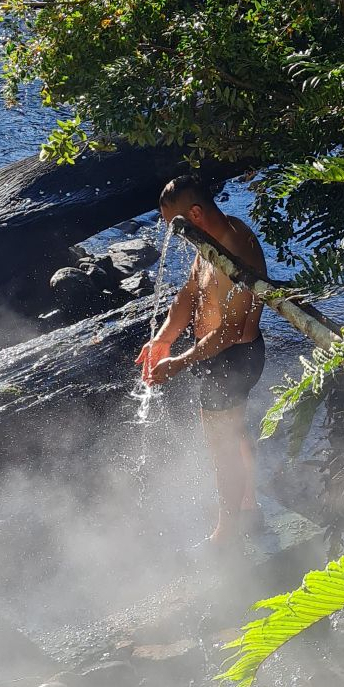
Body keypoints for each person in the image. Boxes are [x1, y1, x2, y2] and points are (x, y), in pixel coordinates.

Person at [136, 176, 267, 545]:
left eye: (175, 226)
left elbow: (232, 329)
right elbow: (191, 292)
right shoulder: (207, 239)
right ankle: (249, 505)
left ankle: (227, 534)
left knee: (221, 446)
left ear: (195, 213)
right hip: (220, 358)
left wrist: (179, 362)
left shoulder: (234, 250)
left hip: (233, 358)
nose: (173, 234)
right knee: (234, 432)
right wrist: (163, 339)